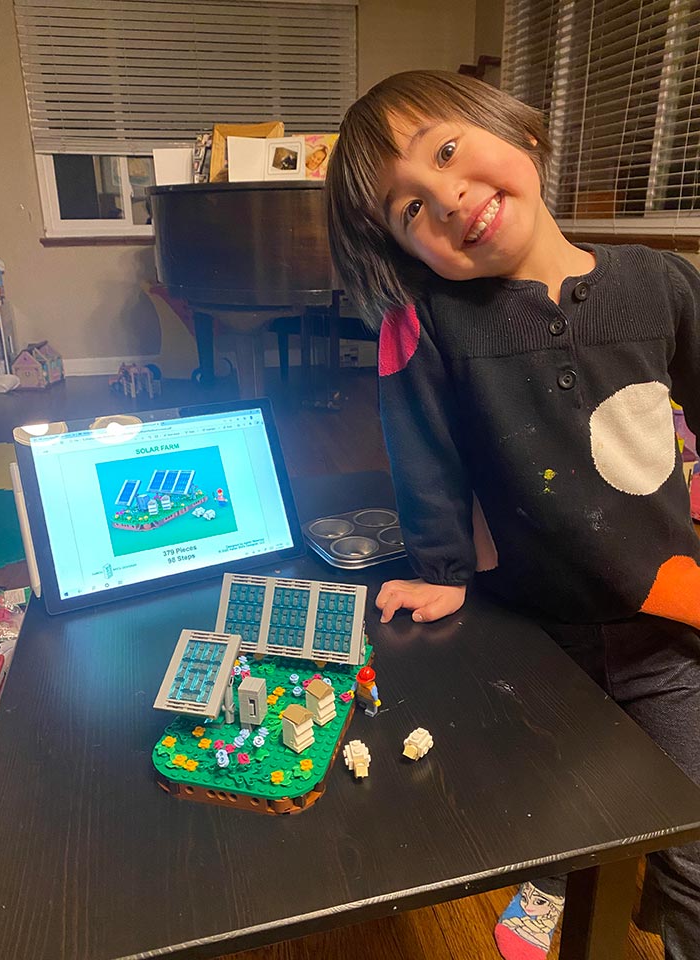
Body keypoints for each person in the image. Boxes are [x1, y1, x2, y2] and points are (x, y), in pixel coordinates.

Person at [325, 69, 700, 960]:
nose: (446, 197)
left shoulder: (663, 284)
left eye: (447, 151)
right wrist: (439, 572)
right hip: (538, 630)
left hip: (668, 629)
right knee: (559, 796)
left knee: (689, 833)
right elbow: (423, 455)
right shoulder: (434, 325)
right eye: (408, 210)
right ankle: (550, 877)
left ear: (521, 133)